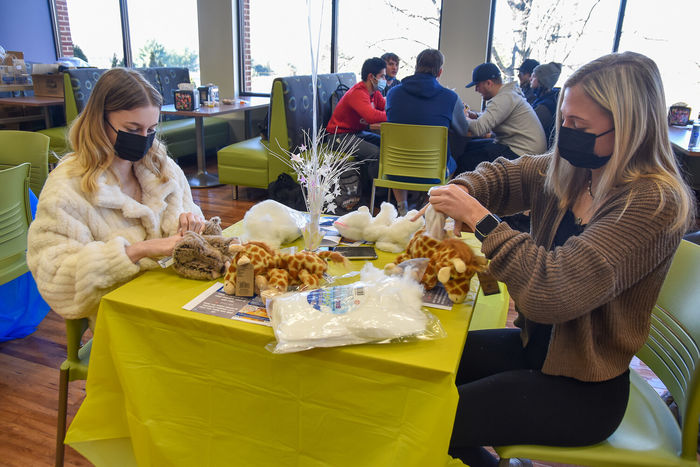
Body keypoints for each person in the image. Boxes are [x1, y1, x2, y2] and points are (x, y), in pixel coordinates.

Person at [421, 51, 695, 466]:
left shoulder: (652, 202)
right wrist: (453, 194)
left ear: (630, 127)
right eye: (564, 121)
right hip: (540, 351)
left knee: (427, 415)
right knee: (426, 373)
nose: (566, 133)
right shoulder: (577, 170)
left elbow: (552, 292)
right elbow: (508, 175)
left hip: (584, 390)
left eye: (579, 126)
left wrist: (479, 218)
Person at [27, 68, 205, 328]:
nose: (144, 140)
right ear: (99, 121)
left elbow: (188, 215)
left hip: (173, 297)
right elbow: (56, 278)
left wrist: (192, 223)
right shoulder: (67, 186)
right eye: (132, 129)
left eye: (151, 129)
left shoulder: (159, 165)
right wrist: (136, 251)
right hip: (124, 319)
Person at [386, 48, 470, 215]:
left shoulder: (393, 93)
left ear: (416, 66)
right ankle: (428, 207)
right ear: (439, 72)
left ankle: (403, 209)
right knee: (453, 162)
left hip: (393, 169)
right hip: (432, 173)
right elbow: (462, 130)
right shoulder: (450, 97)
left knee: (400, 156)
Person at [457, 62, 546, 174]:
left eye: (477, 85)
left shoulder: (504, 98)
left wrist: (460, 116)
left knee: (466, 160)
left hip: (523, 154)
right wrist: (475, 115)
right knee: (470, 146)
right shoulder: (508, 94)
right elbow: (496, 116)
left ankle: (460, 190)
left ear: (488, 83)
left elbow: (479, 128)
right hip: (519, 147)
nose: (476, 90)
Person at [326, 57, 387, 203]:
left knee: (385, 144)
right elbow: (371, 116)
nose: (385, 79)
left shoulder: (374, 94)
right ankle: (375, 196)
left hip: (355, 133)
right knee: (375, 153)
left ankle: (380, 188)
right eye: (382, 76)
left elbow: (385, 107)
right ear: (371, 77)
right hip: (337, 137)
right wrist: (394, 114)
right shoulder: (358, 93)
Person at [530, 61, 563, 147]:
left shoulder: (544, 107)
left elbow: (527, 128)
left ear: (542, 81)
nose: (530, 79)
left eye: (533, 76)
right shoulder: (549, 98)